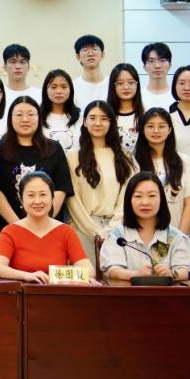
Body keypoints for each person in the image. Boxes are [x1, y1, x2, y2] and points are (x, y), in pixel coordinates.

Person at [0, 171, 93, 283]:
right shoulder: (10, 231)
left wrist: (53, 276)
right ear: (21, 199)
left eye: (43, 195)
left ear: (52, 197)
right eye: (31, 195)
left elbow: (89, 271)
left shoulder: (66, 231)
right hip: (22, 291)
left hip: (56, 292)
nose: (37, 201)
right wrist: (26, 275)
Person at [67, 101, 135, 263]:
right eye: (92, 118)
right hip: (83, 228)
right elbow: (72, 198)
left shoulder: (124, 156)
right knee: (86, 276)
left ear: (112, 123)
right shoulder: (73, 155)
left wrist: (111, 230)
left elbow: (127, 196)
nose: (98, 123)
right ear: (84, 122)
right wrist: (94, 231)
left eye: (104, 118)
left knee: (116, 274)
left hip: (118, 228)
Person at [0, 96, 71, 235]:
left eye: (31, 114)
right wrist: (19, 226)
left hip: (49, 229)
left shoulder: (54, 148)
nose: (25, 119)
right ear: (10, 118)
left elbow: (61, 188)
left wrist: (43, 222)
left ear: (39, 118)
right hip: (10, 229)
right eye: (19, 115)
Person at [100, 172, 190, 282]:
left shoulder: (176, 237)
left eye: (152, 196)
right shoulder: (117, 237)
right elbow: (112, 270)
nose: (145, 202)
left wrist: (172, 274)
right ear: (129, 200)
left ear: (161, 199)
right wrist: (136, 274)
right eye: (138, 196)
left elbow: (188, 269)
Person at [133, 109, 190, 234]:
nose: (156, 131)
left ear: (170, 129)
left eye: (161, 126)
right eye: (150, 126)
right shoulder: (134, 162)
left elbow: (189, 204)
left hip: (176, 233)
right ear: (143, 130)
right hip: (141, 235)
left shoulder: (184, 161)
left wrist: (179, 237)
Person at [40, 69, 82, 155]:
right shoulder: (37, 117)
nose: (59, 91)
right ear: (45, 90)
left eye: (64, 87)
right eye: (53, 87)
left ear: (70, 90)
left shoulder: (80, 117)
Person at [106, 63, 144, 155]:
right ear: (113, 86)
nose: (126, 87)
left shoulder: (145, 113)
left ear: (137, 84)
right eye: (120, 83)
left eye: (131, 82)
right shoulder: (105, 114)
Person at [71, 34, 109, 111]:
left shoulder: (112, 83)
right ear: (78, 57)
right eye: (85, 50)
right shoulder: (72, 86)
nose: (90, 54)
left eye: (95, 49)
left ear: (102, 55)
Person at [141, 42, 174, 109]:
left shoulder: (177, 96)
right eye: (151, 61)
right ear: (144, 67)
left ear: (170, 65)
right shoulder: (139, 96)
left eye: (162, 60)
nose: (157, 66)